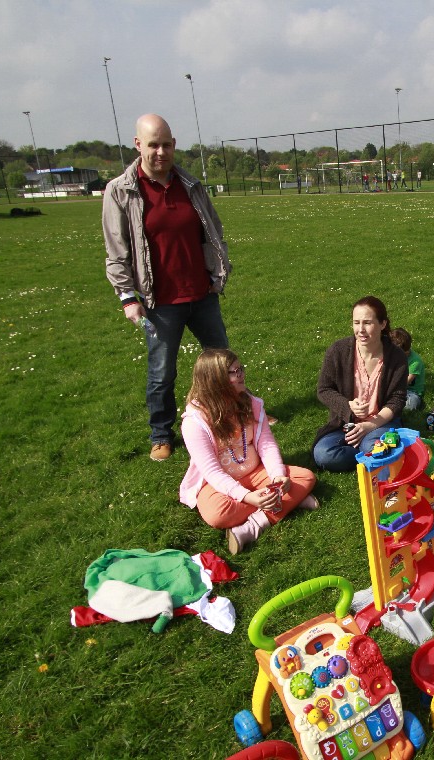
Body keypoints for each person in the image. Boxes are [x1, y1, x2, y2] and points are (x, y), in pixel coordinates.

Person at [103, 113, 233, 462]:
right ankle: (161, 434)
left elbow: (213, 231)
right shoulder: (121, 191)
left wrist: (218, 272)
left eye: (166, 145)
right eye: (153, 145)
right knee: (162, 372)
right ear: (138, 145)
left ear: (174, 145)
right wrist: (127, 297)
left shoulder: (190, 184)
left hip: (202, 294)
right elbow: (117, 250)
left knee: (222, 361)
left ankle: (236, 417)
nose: (160, 152)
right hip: (159, 302)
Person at [179, 349, 318, 554]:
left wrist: (277, 475)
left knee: (305, 477)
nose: (241, 375)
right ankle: (290, 502)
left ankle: (254, 525)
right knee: (218, 514)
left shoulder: (250, 404)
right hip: (217, 485)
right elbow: (212, 472)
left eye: (241, 369)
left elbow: (266, 444)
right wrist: (246, 496)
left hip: (255, 472)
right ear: (215, 380)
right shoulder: (195, 422)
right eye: (234, 372)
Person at [313, 296, 407, 472]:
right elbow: (324, 390)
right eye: (356, 323)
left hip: (380, 422)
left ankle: (371, 451)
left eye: (367, 323)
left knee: (374, 447)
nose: (360, 330)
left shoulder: (397, 357)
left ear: (383, 324)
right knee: (323, 454)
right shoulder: (338, 351)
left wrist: (369, 425)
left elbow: (397, 400)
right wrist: (348, 406)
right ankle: (370, 456)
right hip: (345, 424)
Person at [389, 327, 425, 411]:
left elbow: (404, 383)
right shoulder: (390, 356)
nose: (407, 352)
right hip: (392, 388)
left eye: (408, 350)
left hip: (410, 392)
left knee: (410, 403)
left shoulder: (415, 361)